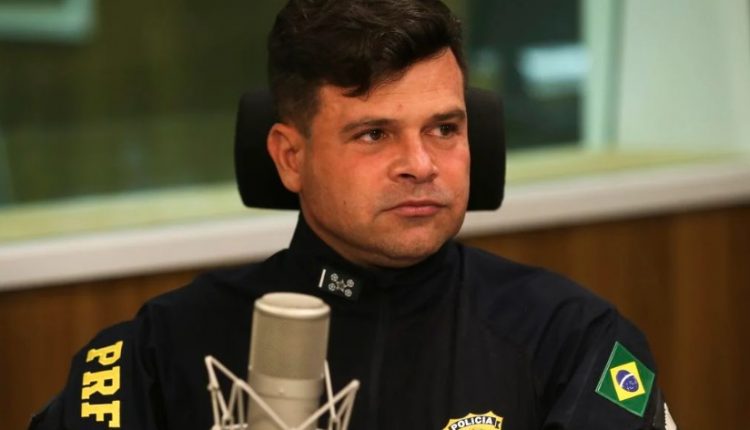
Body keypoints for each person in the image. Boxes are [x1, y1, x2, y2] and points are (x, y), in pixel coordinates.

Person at [30, 1, 676, 429]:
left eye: (444, 129)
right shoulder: (162, 349)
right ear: (290, 157)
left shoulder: (570, 337)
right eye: (374, 134)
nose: (420, 164)